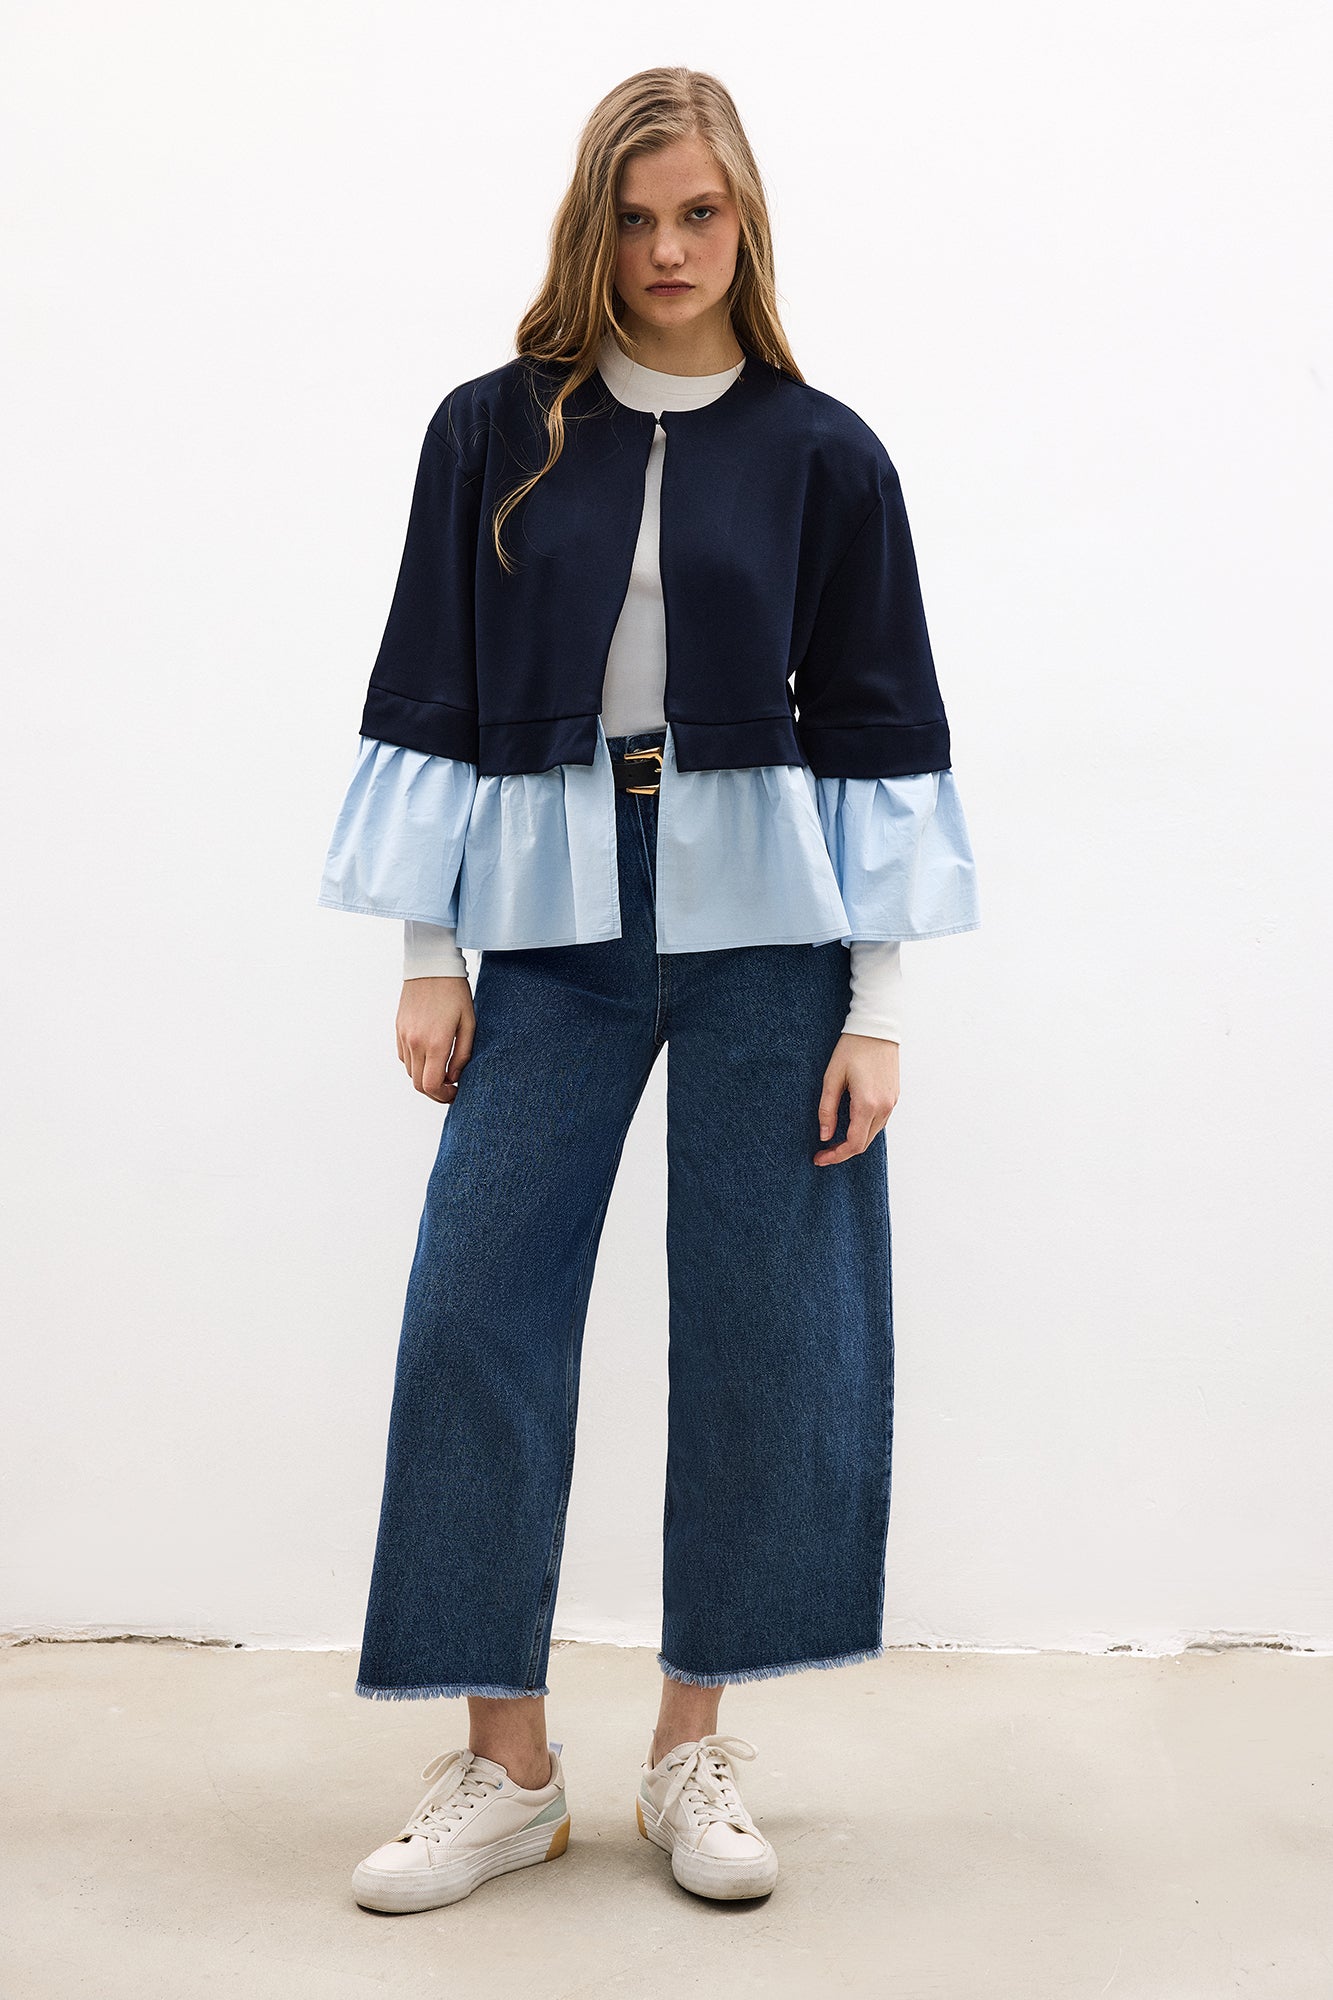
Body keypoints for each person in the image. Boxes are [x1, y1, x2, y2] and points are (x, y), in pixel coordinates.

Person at [317, 65, 980, 1912]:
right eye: (632, 218)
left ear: (742, 218)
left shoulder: (824, 451)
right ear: (588, 227)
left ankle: (693, 1748)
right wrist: (430, 952)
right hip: (549, 908)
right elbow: (429, 680)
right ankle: (507, 1770)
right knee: (477, 1306)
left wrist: (876, 1005)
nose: (667, 250)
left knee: (768, 1322)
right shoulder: (495, 429)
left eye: (697, 214)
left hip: (772, 920)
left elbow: (878, 721)